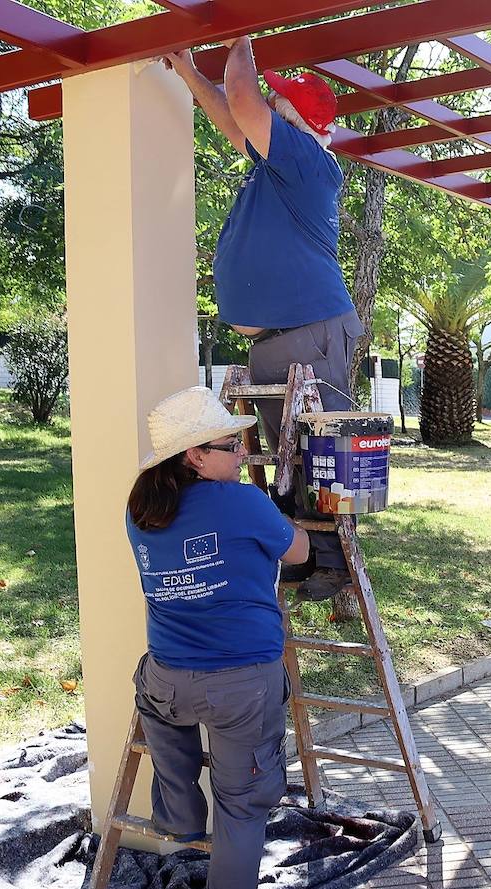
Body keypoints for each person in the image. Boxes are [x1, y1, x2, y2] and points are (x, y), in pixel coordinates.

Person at [162, 38, 360, 599]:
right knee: (295, 456)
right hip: (285, 337)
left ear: (296, 120)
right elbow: (234, 115)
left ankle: (336, 564)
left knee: (322, 453)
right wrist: (189, 73)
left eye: (279, 104)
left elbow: (245, 105)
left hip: (308, 331)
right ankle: (310, 557)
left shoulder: (306, 159)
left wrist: (241, 33)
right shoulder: (281, 165)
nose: (269, 108)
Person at [124, 386, 310, 889]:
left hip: (166, 679)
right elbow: (296, 551)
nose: (242, 454)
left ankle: (180, 819)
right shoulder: (241, 501)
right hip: (240, 687)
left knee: (152, 693)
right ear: (195, 456)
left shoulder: (139, 507)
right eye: (232, 446)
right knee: (244, 807)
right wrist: (282, 516)